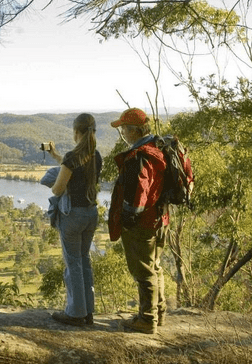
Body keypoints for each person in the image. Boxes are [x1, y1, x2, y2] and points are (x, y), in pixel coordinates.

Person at [109, 108, 168, 334]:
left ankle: (147, 319)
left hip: (143, 223)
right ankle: (158, 313)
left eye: (123, 128)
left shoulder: (139, 156)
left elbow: (139, 191)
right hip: (160, 218)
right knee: (155, 267)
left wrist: (127, 217)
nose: (122, 132)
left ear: (133, 131)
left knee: (143, 271)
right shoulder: (157, 149)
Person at [43, 113, 102, 327]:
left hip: (73, 216)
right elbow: (70, 165)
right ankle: (88, 311)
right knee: (84, 260)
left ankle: (75, 313)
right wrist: (55, 155)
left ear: (76, 132)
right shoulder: (95, 156)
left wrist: (52, 181)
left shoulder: (73, 156)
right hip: (90, 214)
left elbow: (58, 189)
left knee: (73, 264)